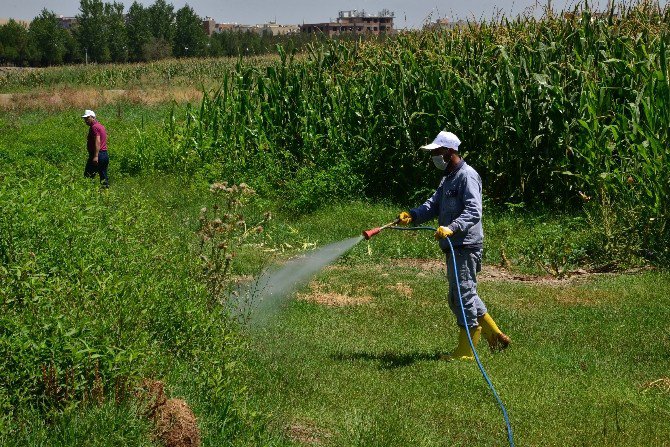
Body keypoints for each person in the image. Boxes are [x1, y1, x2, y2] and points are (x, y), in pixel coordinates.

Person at [398, 130, 510, 360]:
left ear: (449, 152)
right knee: (465, 292)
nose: (434, 157)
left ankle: (466, 351)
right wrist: (413, 215)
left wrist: (452, 227)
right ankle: (494, 334)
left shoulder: (468, 176)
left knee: (461, 296)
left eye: (437, 152)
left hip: (466, 245)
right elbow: (433, 205)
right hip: (454, 246)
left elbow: (473, 211)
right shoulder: (448, 178)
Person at [82, 109, 109, 187]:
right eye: (85, 118)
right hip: (104, 154)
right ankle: (105, 195)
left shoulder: (94, 127)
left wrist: (95, 156)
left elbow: (97, 141)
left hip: (98, 155)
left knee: (88, 176)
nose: (86, 120)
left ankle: (89, 194)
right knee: (103, 176)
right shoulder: (100, 126)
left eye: (88, 118)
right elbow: (105, 137)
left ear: (93, 117)